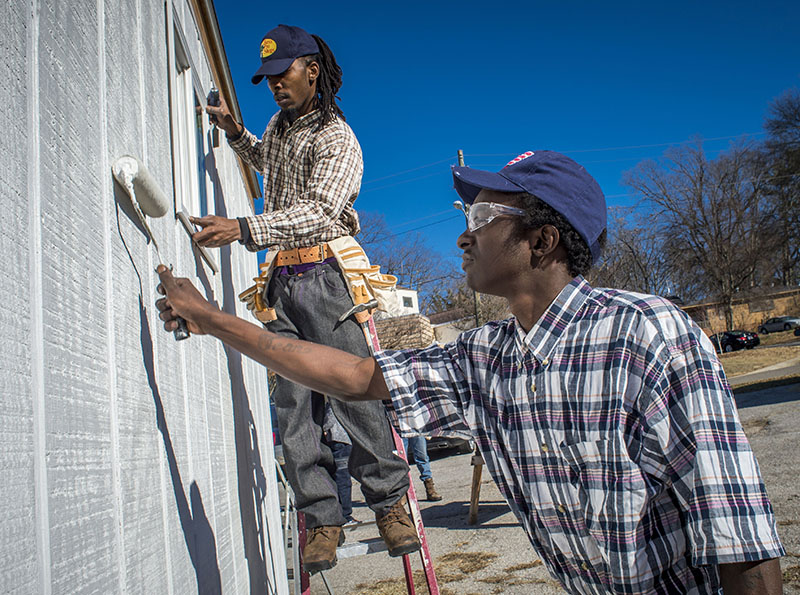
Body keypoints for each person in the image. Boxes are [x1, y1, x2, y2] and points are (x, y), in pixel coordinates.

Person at [156, 150, 785, 594]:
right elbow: (351, 375)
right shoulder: (484, 357)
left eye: (481, 221)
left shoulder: (648, 334)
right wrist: (213, 320)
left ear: (542, 243)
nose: (463, 238)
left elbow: (739, 538)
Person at [196, 24, 418, 572]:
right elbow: (270, 164)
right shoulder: (279, 126)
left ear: (311, 71)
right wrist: (235, 133)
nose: (274, 86)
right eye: (267, 78)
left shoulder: (337, 137)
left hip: (326, 275)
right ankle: (321, 518)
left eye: (282, 74)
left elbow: (319, 210)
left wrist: (244, 228)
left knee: (354, 391)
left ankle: (390, 506)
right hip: (281, 283)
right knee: (293, 405)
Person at [401, 436, 442, 502]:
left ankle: (430, 489)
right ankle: (403, 493)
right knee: (401, 460)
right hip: (399, 429)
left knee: (422, 457)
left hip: (414, 428)